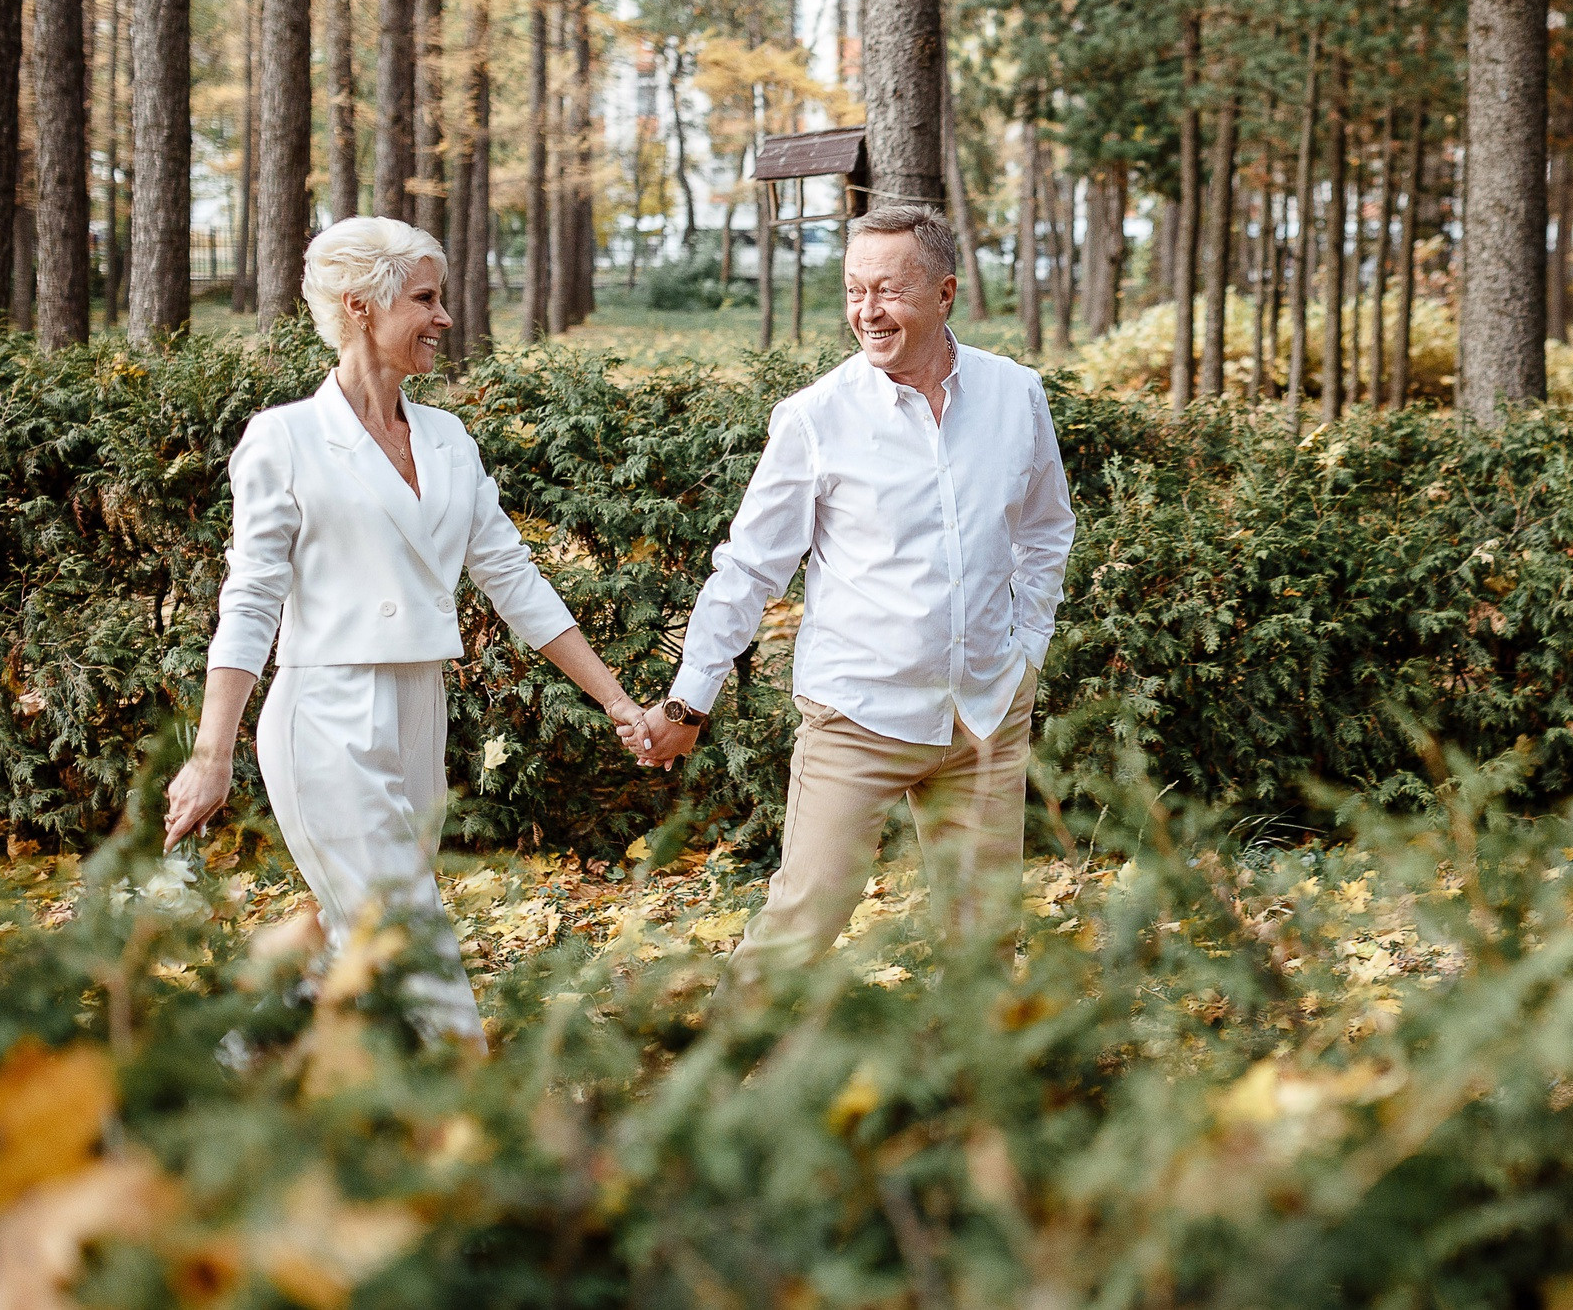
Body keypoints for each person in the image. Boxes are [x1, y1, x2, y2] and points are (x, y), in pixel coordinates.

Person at [163, 216, 650, 1042]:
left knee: (356, 936)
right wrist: (212, 754)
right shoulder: (283, 438)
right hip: (324, 715)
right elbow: (249, 601)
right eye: (426, 298)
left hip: (421, 709)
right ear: (361, 306)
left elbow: (515, 581)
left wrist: (617, 702)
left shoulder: (449, 440)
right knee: (408, 940)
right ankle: (466, 1112)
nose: (445, 318)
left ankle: (229, 1070)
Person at [633, 204, 1076, 970]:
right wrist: (687, 698)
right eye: (852, 290)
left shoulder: (1016, 395)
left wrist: (1028, 645)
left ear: (944, 293)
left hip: (986, 715)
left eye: (887, 290)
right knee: (803, 920)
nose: (866, 312)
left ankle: (973, 1088)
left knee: (984, 935)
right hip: (860, 716)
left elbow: (1046, 528)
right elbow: (748, 567)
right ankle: (726, 1079)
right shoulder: (815, 418)